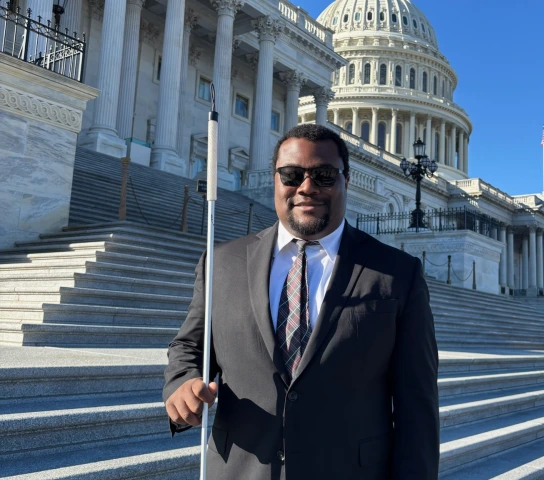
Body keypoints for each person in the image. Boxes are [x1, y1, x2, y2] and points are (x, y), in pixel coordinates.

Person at [162, 124, 440, 480]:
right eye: (292, 175)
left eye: (324, 176)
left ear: (346, 181)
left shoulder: (397, 273)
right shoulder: (221, 263)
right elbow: (189, 345)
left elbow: (417, 407)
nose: (307, 188)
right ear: (276, 180)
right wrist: (182, 384)